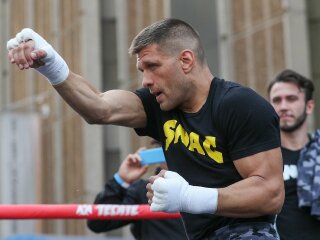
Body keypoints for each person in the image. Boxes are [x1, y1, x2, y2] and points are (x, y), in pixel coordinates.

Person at [7, 18, 284, 239]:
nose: (146, 80)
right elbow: (100, 108)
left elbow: (270, 193)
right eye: (141, 69)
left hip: (248, 233)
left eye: (152, 66)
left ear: (186, 61)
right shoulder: (158, 105)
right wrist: (52, 64)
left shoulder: (238, 104)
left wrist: (190, 197)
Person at [87, 143, 187, 240]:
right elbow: (96, 223)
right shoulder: (144, 191)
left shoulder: (201, 186)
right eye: (161, 148)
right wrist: (120, 180)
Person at [267, 69, 320, 240]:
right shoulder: (261, 158)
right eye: (277, 100)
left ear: (309, 106)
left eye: (291, 99)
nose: (283, 106)